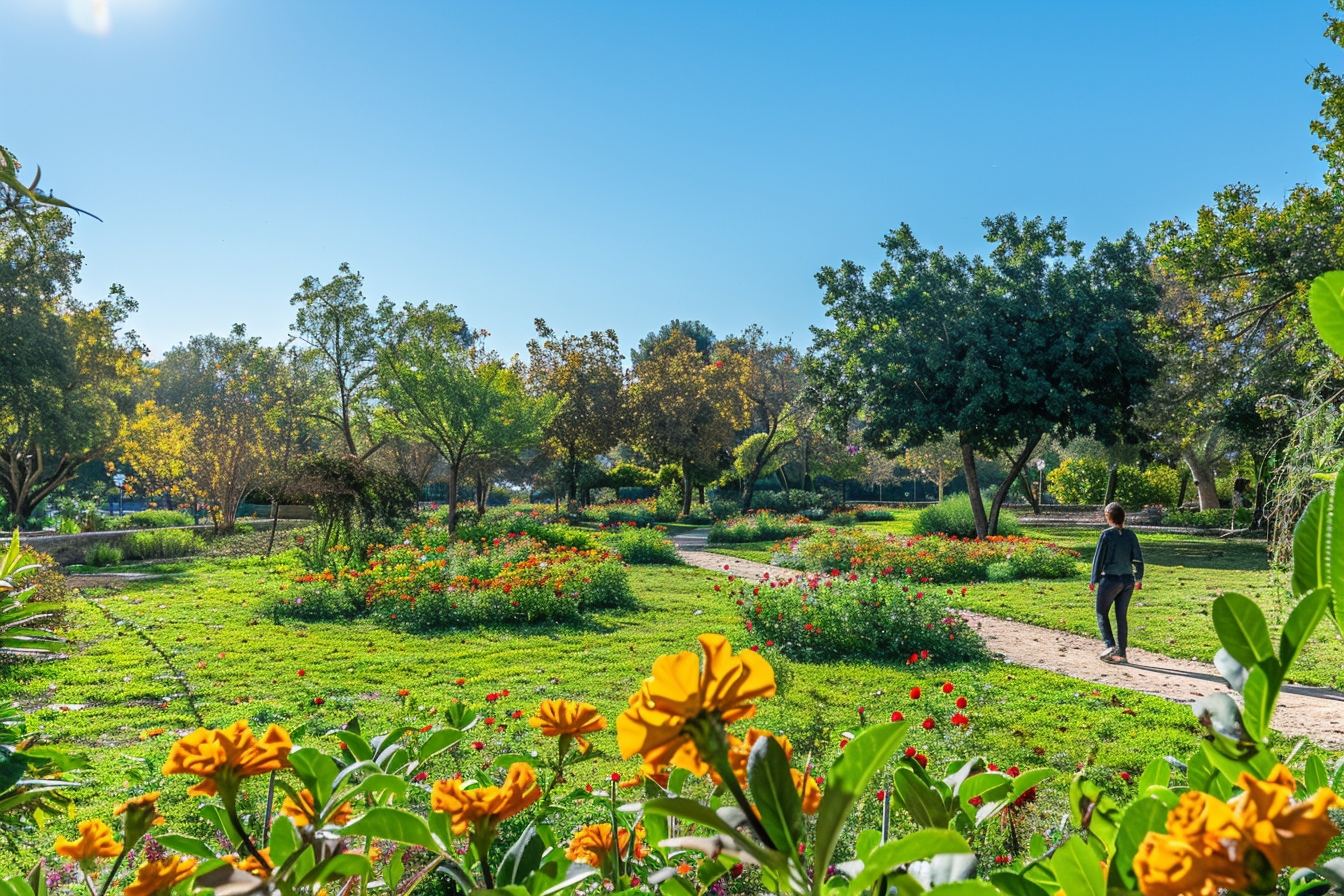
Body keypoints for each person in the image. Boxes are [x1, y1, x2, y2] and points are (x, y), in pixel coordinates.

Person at [1089, 502, 1144, 663]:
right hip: (1128, 580)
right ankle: (1122, 653)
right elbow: (1137, 558)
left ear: (1109, 517)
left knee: (1101, 612)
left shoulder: (1107, 535)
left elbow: (1099, 558)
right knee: (1121, 616)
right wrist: (1139, 578)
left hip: (1110, 579)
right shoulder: (1130, 535)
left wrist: (1094, 579)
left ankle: (1110, 645)